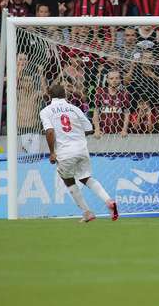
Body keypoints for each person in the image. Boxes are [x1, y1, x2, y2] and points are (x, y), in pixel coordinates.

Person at [39, 83, 119, 223]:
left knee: (68, 179)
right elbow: (88, 128)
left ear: (49, 95)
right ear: (65, 95)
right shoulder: (74, 108)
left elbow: (50, 131)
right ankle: (108, 200)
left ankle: (87, 212)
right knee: (86, 177)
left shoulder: (46, 111)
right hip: (82, 149)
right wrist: (75, 135)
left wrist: (52, 152)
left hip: (65, 152)